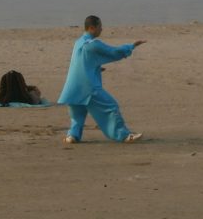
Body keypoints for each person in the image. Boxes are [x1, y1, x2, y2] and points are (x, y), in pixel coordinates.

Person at [57, 15, 146, 144]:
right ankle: (124, 136)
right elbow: (113, 52)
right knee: (110, 106)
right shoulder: (93, 44)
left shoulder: (78, 42)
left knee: (77, 114)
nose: (102, 29)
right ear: (92, 28)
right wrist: (131, 46)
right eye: (100, 26)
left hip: (72, 86)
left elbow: (81, 62)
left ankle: (72, 136)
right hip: (88, 86)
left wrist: (96, 69)